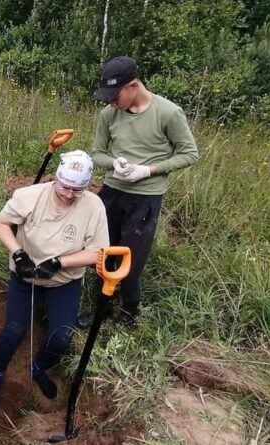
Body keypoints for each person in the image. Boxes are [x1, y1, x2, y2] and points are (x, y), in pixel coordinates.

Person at [0, 151, 110, 415]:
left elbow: (99, 252)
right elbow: (2, 222)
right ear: (56, 178)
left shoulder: (93, 206)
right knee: (14, 330)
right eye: (65, 186)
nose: (69, 194)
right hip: (25, 277)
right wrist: (18, 254)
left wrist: (60, 262)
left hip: (65, 282)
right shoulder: (30, 196)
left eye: (78, 189)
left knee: (62, 336)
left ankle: (39, 368)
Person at [79, 56, 198, 329]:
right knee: (103, 251)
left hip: (146, 196)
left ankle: (130, 310)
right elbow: (97, 153)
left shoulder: (168, 113)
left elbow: (189, 154)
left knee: (132, 257)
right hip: (112, 191)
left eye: (115, 96)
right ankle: (102, 308)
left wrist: (149, 170)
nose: (111, 103)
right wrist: (114, 163)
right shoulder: (108, 114)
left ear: (133, 85)